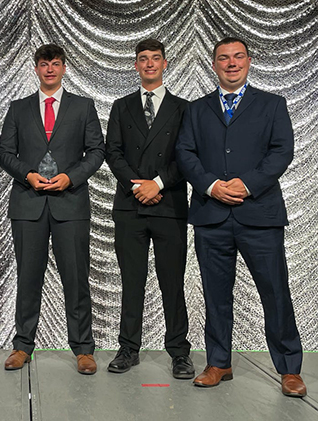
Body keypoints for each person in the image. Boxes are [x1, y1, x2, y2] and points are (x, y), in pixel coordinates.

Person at [175, 37, 306, 397]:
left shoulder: (272, 105)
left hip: (259, 215)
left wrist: (247, 185)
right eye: (224, 58)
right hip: (212, 216)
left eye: (238, 57)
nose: (231, 63)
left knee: (275, 292)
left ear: (249, 61)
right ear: (214, 65)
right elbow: (185, 153)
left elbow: (282, 151)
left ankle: (289, 369)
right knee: (215, 295)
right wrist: (211, 186)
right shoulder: (196, 109)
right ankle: (219, 362)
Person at [0, 44, 105, 374]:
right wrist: (28, 174)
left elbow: (96, 151)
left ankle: (83, 349)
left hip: (69, 204)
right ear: (36, 69)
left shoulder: (83, 107)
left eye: (55, 64)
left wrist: (70, 178)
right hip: (28, 204)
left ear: (63, 68)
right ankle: (22, 346)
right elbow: (5, 152)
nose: (49, 69)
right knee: (28, 278)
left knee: (76, 279)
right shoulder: (18, 108)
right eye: (44, 64)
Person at [105, 39, 194, 378]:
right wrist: (138, 186)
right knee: (132, 281)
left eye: (155, 58)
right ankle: (128, 348)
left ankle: (179, 352)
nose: (150, 64)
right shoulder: (121, 106)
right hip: (130, 206)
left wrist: (157, 183)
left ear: (165, 64)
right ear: (136, 65)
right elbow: (113, 152)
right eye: (143, 59)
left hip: (169, 205)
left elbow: (187, 155)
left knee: (172, 282)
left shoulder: (183, 108)